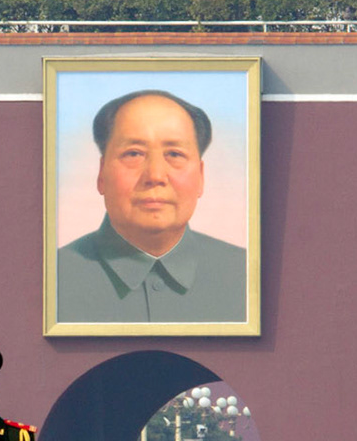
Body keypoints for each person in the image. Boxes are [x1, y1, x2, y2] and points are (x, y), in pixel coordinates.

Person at [55, 89, 248, 324]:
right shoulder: (53, 278)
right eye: (134, 153)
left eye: (174, 154)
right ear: (101, 174)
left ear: (201, 176)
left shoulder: (247, 275)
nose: (155, 175)